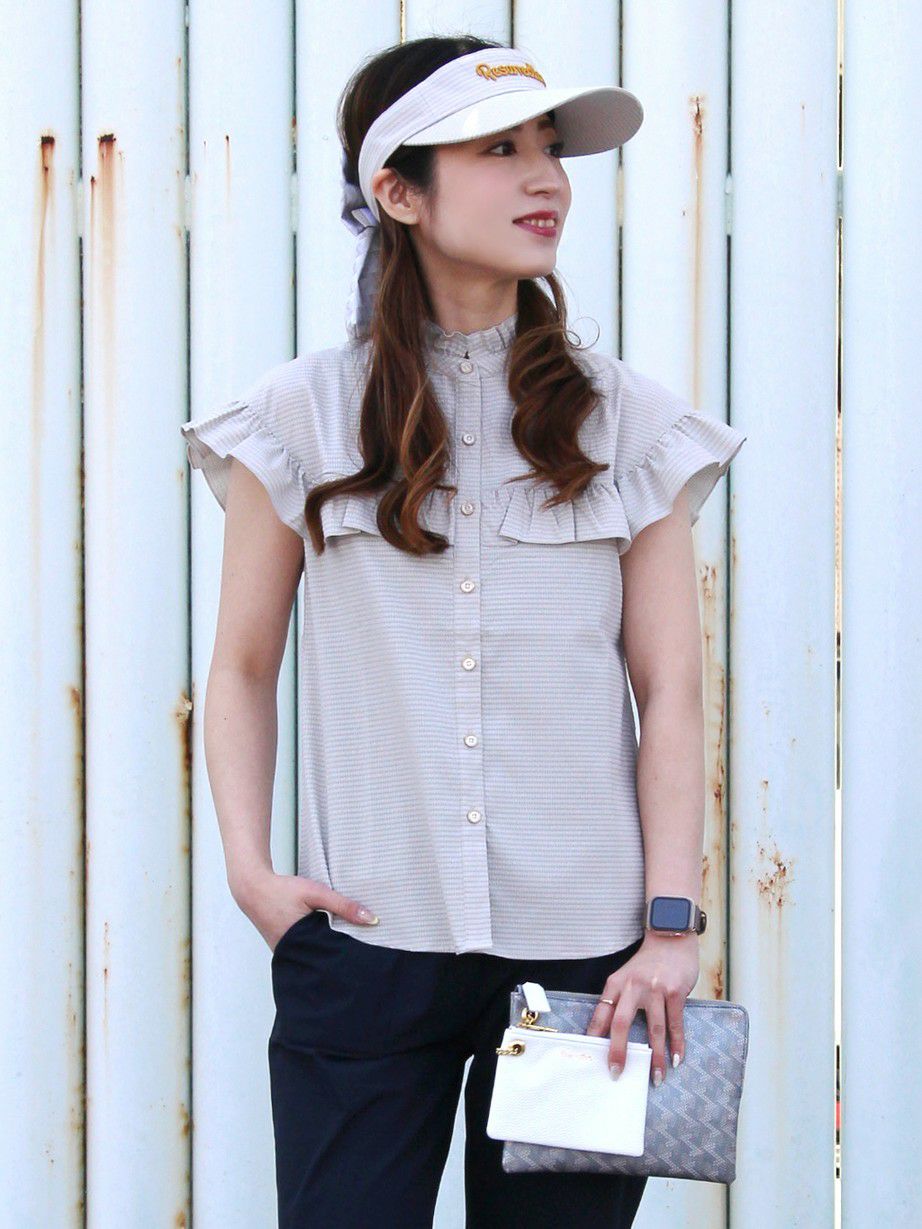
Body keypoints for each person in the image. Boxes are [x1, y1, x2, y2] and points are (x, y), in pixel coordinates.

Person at [180, 34, 747, 1229]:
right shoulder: (297, 417)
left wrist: (667, 925)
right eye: (498, 150)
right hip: (367, 943)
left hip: (590, 969)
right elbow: (240, 665)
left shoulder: (631, 424)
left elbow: (671, 690)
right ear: (399, 192)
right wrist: (252, 873)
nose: (545, 178)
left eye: (550, 148)